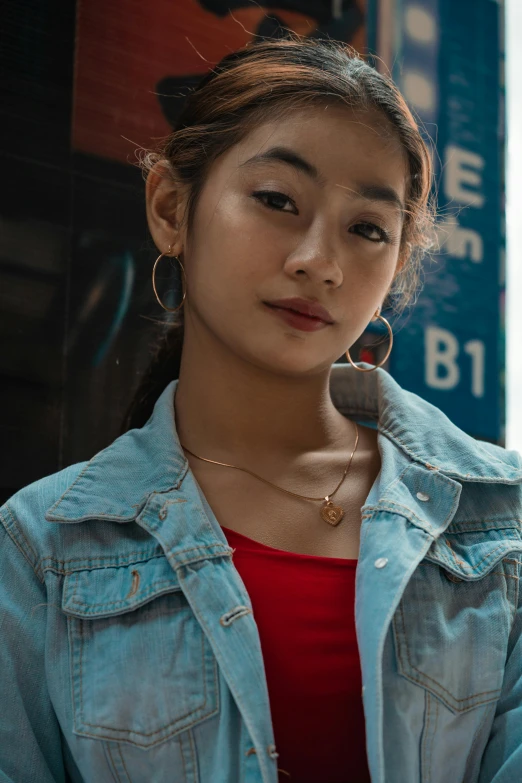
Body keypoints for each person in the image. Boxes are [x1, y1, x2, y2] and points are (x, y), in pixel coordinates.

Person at [1, 35, 521, 783]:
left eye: (367, 228)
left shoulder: (500, 523)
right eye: (278, 200)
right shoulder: (41, 549)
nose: (320, 260)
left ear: (397, 264)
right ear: (171, 207)